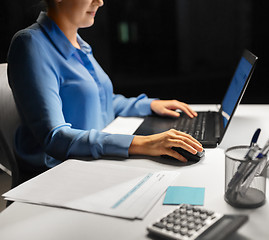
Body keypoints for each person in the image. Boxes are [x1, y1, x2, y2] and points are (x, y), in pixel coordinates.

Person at [7, 0, 203, 177]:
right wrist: (145, 143)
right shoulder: (30, 44)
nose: (99, 2)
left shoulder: (79, 45)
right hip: (58, 177)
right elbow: (55, 137)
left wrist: (150, 105)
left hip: (95, 163)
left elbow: (103, 99)